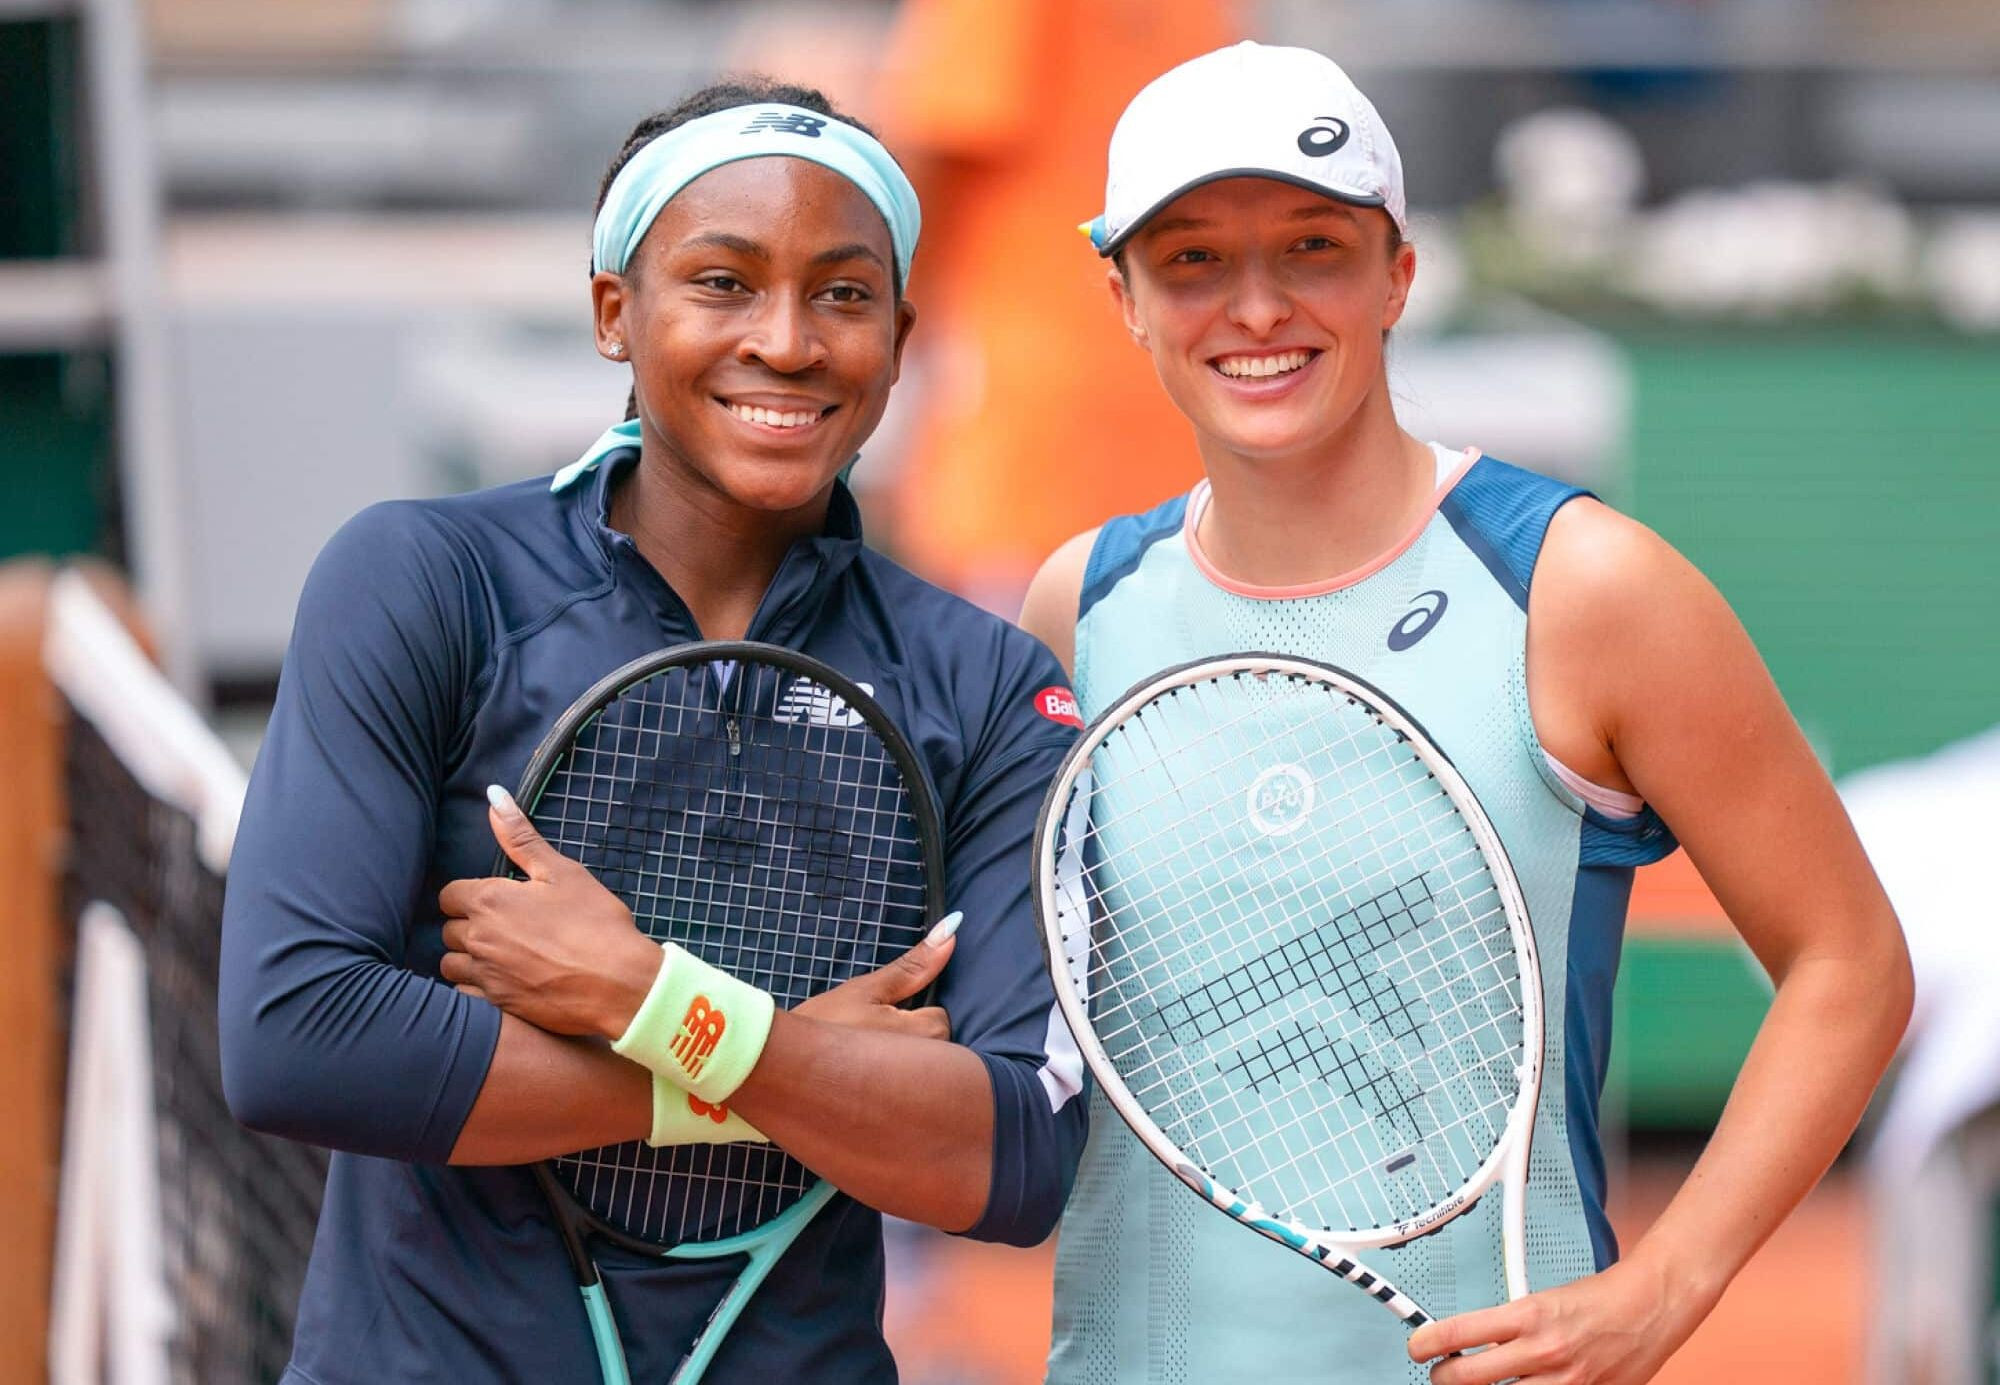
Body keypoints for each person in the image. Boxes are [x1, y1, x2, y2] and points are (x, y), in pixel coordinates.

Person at [1017, 41, 1912, 1385]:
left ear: (1398, 273)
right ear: (1125, 299)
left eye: (1313, 248)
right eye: (1193, 260)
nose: (1255, 306)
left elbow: (1851, 961)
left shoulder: (1584, 587)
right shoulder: (1076, 606)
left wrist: (1666, 1285)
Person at [219, 78, 1087, 1384]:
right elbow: (295, 1037)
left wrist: (642, 997)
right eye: (723, 283)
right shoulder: (421, 580)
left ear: (901, 335)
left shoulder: (990, 686)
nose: (786, 341)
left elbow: (1014, 1159)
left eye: (844, 294)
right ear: (613, 312)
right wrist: (774, 1065)